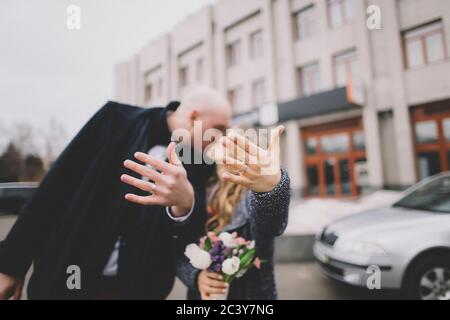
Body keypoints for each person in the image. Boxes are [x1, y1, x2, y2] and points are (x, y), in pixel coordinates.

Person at [0, 87, 231, 300]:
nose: (221, 138)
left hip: (137, 291)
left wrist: (186, 203)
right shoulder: (114, 120)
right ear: (194, 118)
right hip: (69, 277)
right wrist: (10, 265)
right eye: (219, 128)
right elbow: (54, 190)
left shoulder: (203, 163)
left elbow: (191, 235)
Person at [176, 126, 291, 300]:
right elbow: (176, 248)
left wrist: (270, 190)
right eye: (223, 145)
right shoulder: (199, 190)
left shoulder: (252, 195)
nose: (225, 154)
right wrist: (196, 276)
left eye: (234, 147)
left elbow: (271, 225)